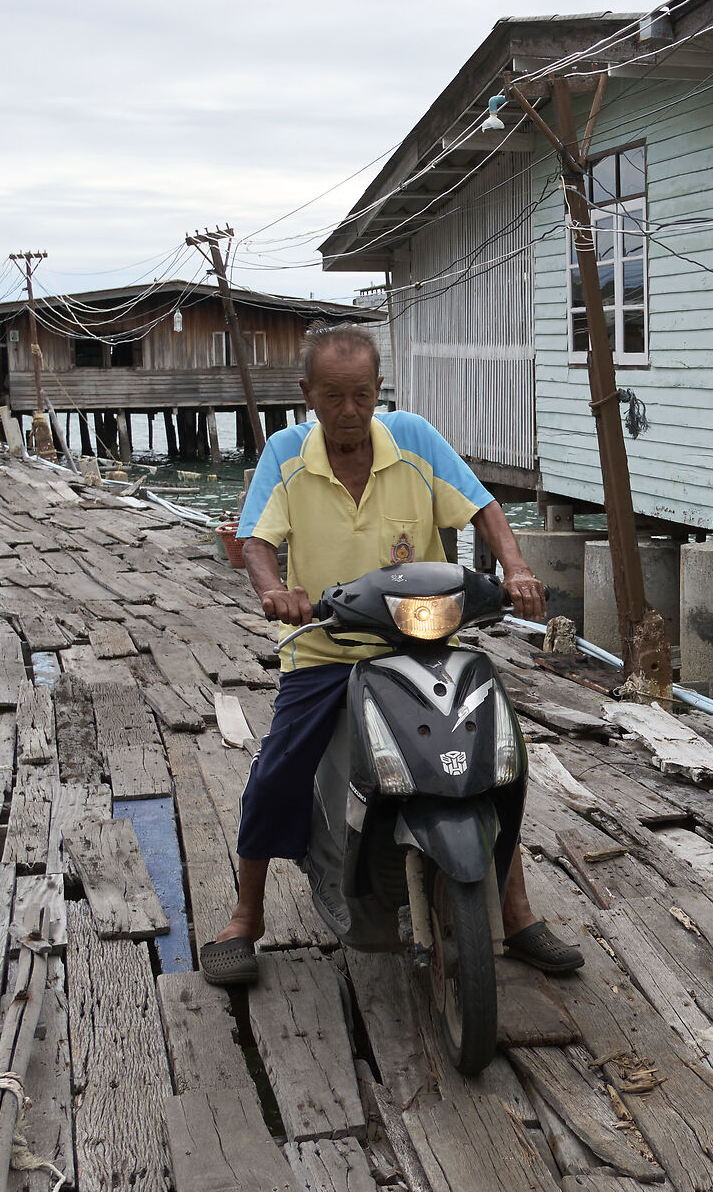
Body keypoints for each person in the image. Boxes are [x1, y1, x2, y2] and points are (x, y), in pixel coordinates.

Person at [198, 322, 584, 986]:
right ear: (307, 395)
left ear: (380, 391)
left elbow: (484, 508)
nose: (349, 410)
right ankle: (245, 916)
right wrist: (275, 590)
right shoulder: (287, 453)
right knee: (278, 769)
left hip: (425, 640)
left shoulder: (414, 439)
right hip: (327, 649)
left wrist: (515, 568)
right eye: (333, 396)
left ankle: (515, 912)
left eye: (361, 395)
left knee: (491, 762)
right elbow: (258, 539)